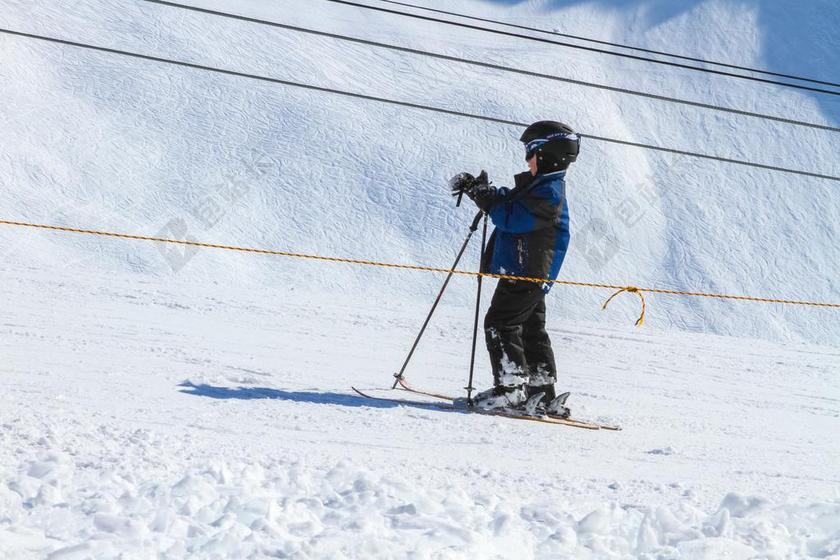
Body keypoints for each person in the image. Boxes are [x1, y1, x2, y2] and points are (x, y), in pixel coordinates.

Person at [450, 121, 580, 415]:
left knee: (500, 323)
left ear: (549, 154)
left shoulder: (549, 194)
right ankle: (541, 391)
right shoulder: (542, 188)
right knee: (531, 330)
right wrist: (484, 192)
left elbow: (513, 219)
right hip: (530, 272)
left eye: (531, 152)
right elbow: (510, 201)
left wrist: (488, 201)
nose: (527, 159)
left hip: (525, 271)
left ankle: (510, 391)